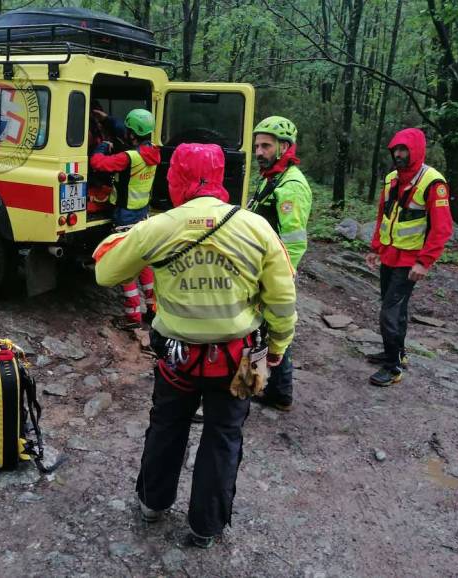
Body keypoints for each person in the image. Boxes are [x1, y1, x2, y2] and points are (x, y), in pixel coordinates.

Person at [93, 143, 297, 549]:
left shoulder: (158, 227)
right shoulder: (256, 228)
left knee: (167, 426)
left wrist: (130, 236)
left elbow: (105, 272)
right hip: (240, 358)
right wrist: (277, 348)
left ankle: (153, 503)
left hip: (177, 358)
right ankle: (207, 526)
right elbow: (282, 299)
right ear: (220, 176)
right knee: (224, 436)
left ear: (176, 175)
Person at [365, 128, 453, 386]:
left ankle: (392, 369)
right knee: (396, 308)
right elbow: (384, 214)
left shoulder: (433, 183)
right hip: (390, 254)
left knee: (388, 312)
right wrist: (375, 248)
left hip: (410, 260)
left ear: (416, 151)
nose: (399, 154)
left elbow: (442, 228)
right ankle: (397, 353)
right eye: (396, 150)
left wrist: (424, 261)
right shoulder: (393, 178)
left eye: (404, 150)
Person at [248, 116, 311, 411]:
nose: (258, 151)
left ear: (284, 146)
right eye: (257, 145)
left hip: (275, 271)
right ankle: (273, 389)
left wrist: (281, 277)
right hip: (265, 267)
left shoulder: (291, 185)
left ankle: (277, 392)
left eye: (265, 146)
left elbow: (295, 240)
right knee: (267, 329)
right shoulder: (273, 176)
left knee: (272, 330)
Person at [90, 108, 161, 329]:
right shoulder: (153, 152)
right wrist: (107, 119)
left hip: (125, 217)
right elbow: (128, 132)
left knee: (127, 266)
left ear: (132, 134)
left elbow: (98, 163)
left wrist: (103, 146)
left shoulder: (129, 158)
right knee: (144, 263)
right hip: (142, 215)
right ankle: (152, 309)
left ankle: (132, 317)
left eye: (129, 131)